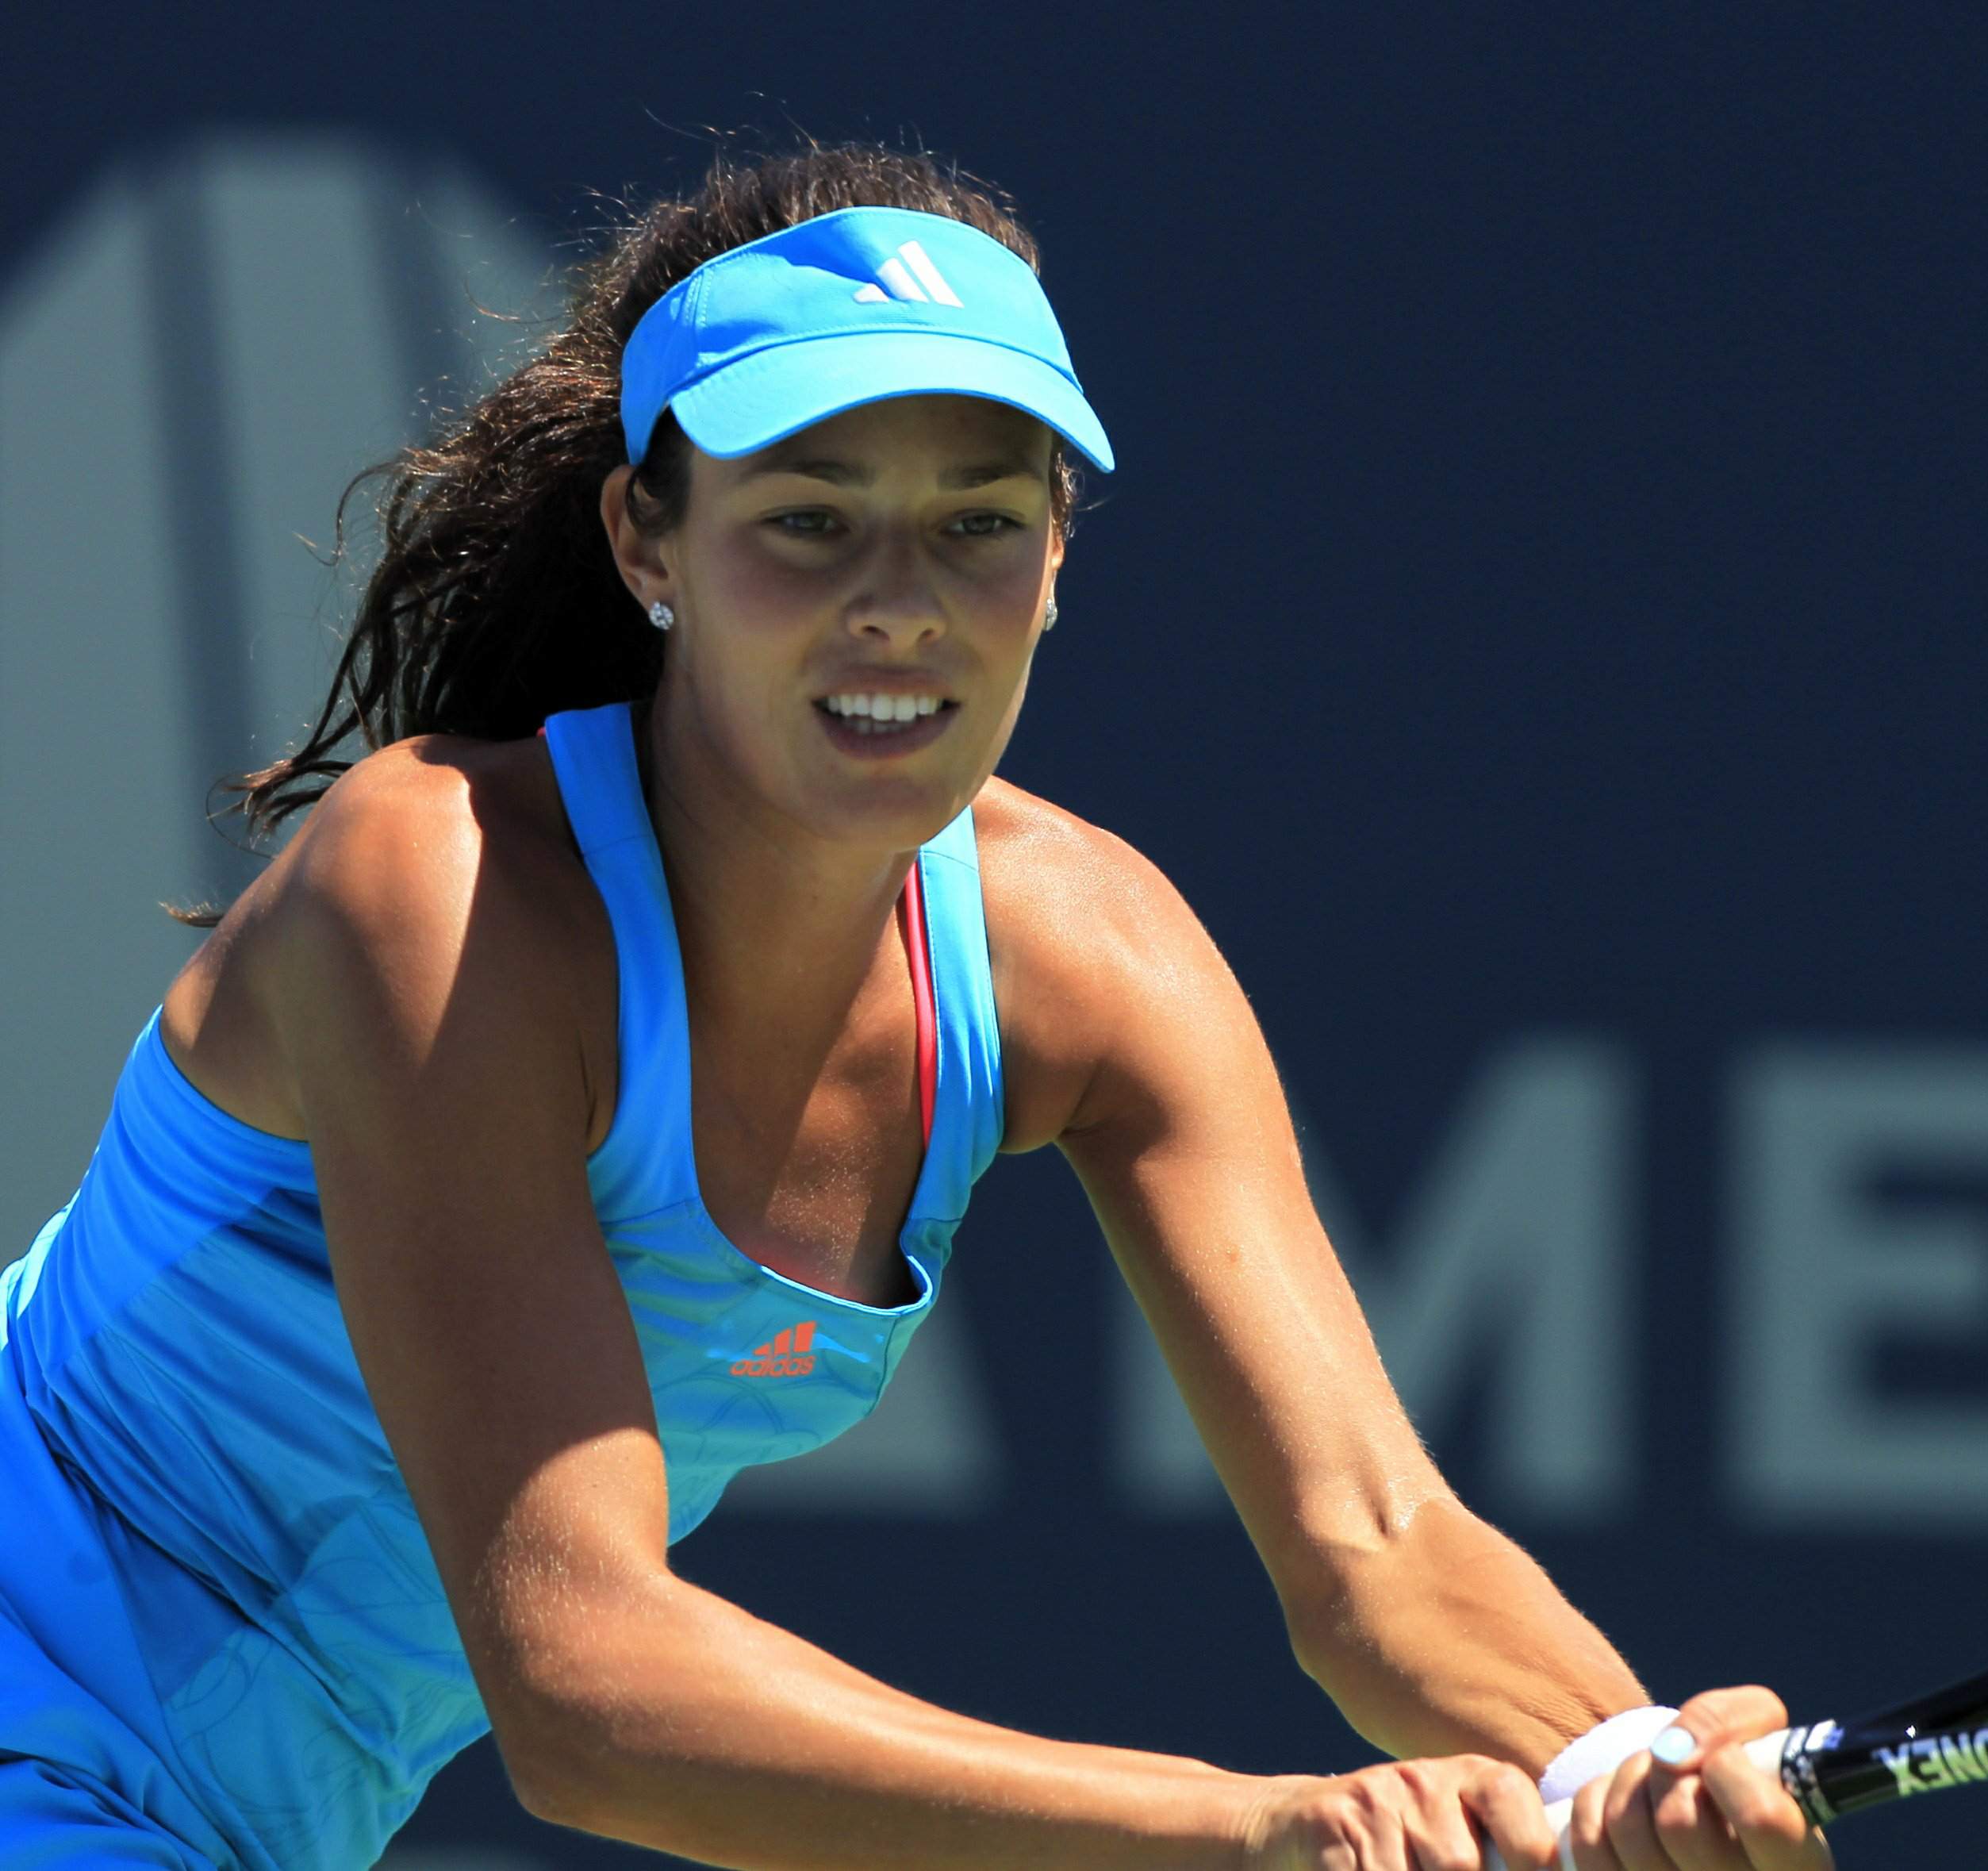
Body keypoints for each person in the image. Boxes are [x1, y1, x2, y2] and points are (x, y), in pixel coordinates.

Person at [0, 144, 1830, 1871]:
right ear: (647, 541)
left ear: (1057, 557)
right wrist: (1264, 1832)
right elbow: (588, 1691)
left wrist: (1621, 1765)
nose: (900, 604)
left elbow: (1378, 1539)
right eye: (809, 521)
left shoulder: (1089, 955)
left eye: (977, 523)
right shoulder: (441, 887)